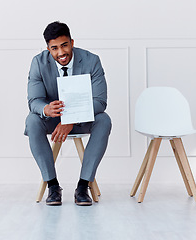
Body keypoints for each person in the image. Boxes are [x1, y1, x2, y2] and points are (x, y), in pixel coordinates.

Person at [24, 21, 112, 206]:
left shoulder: (91, 60)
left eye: (64, 45)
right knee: (32, 120)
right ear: (48, 48)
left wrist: (71, 118)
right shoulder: (38, 63)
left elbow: (100, 101)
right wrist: (45, 109)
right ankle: (53, 186)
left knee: (104, 120)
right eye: (54, 48)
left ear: (72, 42)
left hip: (83, 118)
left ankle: (83, 186)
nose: (61, 53)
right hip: (53, 120)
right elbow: (34, 101)